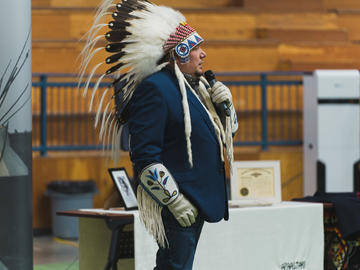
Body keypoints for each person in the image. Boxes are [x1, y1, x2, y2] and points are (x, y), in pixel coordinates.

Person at [79, 1, 238, 269]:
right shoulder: (156, 88)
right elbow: (143, 154)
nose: (203, 54)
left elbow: (223, 134)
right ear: (180, 52)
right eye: (196, 48)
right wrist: (174, 200)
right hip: (181, 198)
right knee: (174, 266)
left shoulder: (193, 87)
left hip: (196, 196)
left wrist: (226, 109)